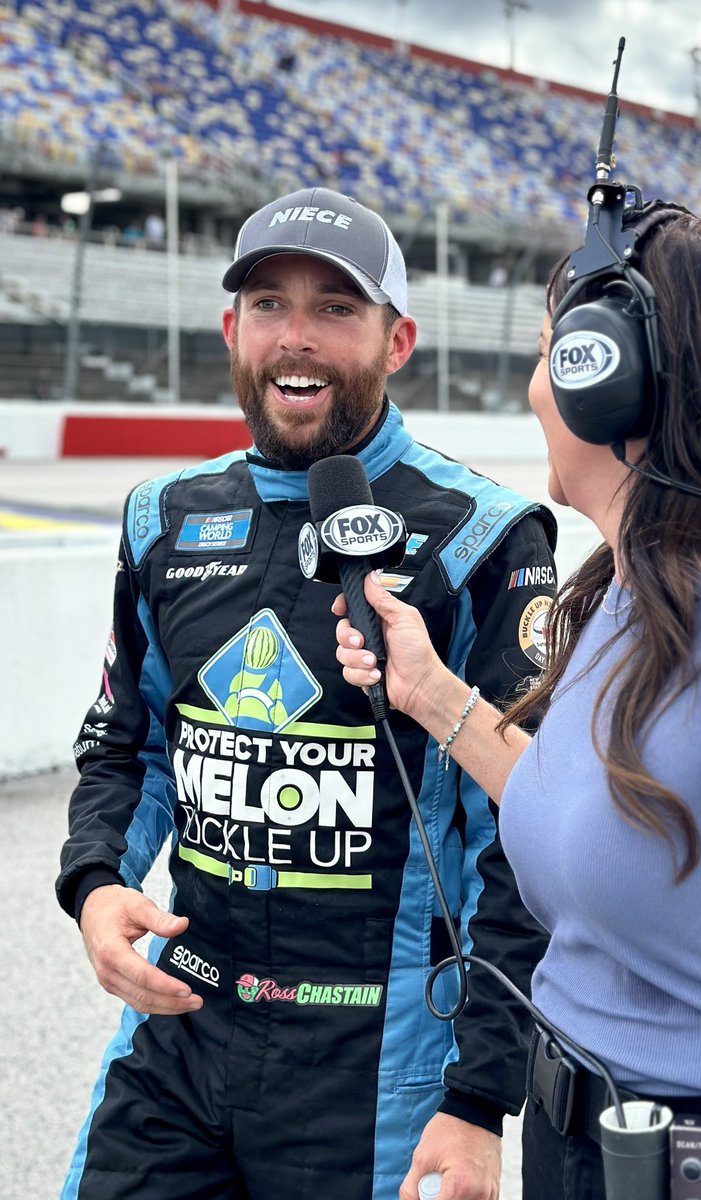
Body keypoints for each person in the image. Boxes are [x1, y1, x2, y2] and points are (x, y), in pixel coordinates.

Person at [335, 204, 701, 1197]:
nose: (530, 388)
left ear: (613, 378)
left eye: (553, 353)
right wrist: (426, 690)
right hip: (585, 1153)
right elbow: (585, 818)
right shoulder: (629, 589)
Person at [55, 186, 557, 1200]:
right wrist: (97, 883)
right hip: (182, 1032)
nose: (298, 339)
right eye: (271, 305)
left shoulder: (486, 534)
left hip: (380, 1057)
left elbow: (533, 834)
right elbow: (127, 743)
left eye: (337, 308)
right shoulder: (164, 516)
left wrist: (480, 1097)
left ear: (399, 338)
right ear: (231, 328)